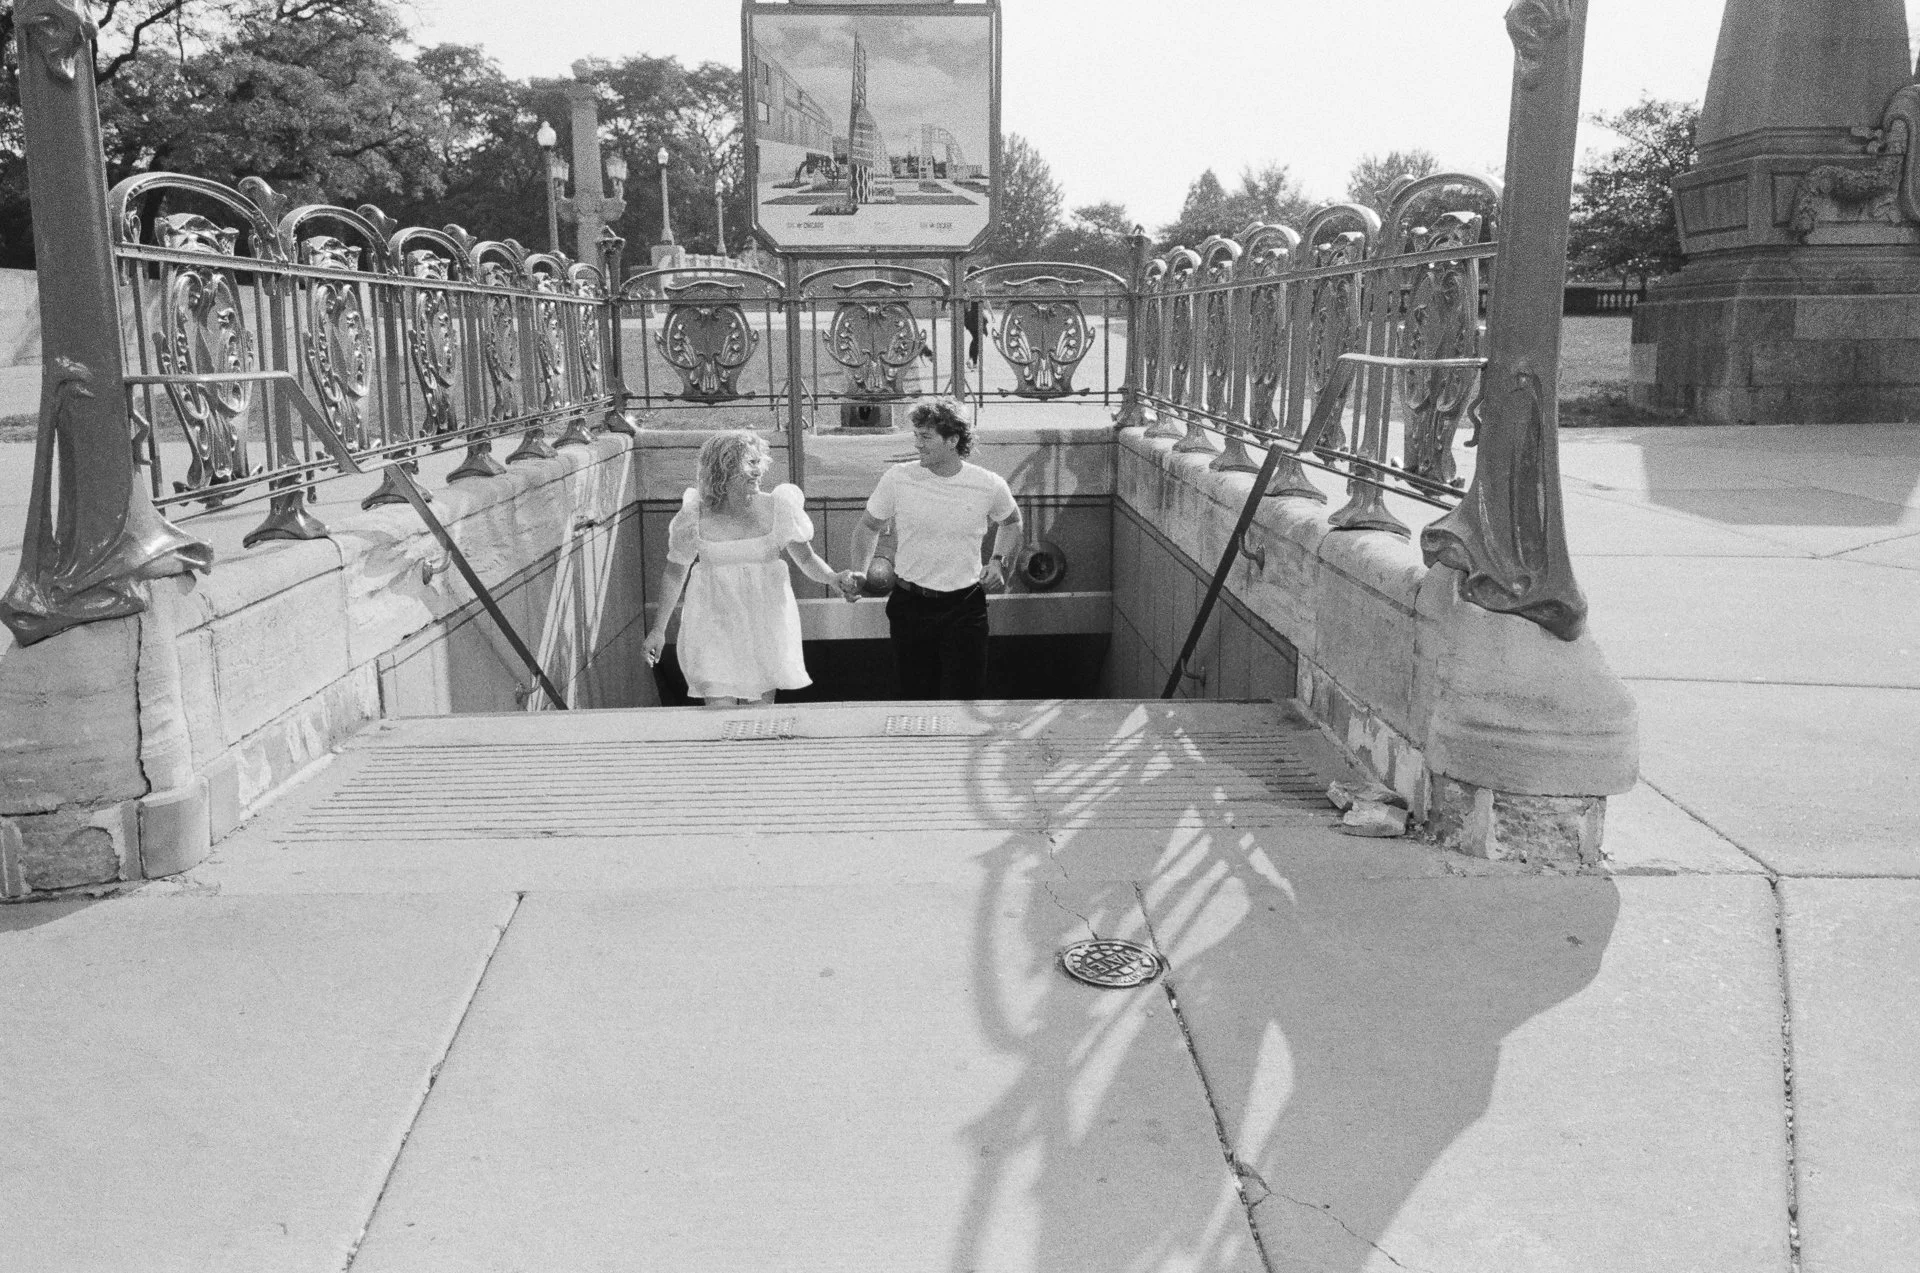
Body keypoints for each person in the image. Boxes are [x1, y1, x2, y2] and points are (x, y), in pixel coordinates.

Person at [644, 430, 858, 706]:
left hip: (764, 625)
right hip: (712, 624)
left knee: (758, 716)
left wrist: (832, 577)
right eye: (749, 464)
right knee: (720, 711)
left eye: (759, 462)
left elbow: (806, 559)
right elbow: (675, 571)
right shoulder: (693, 516)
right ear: (722, 470)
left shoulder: (779, 506)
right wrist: (658, 630)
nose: (758, 471)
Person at [845, 399, 1023, 699]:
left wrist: (999, 562)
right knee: (916, 701)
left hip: (965, 609)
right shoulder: (898, 478)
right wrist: (859, 572)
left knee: (965, 702)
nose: (917, 445)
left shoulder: (987, 484)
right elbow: (867, 526)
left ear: (952, 440)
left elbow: (1012, 523)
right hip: (909, 607)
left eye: (925, 437)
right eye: (916, 436)